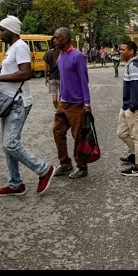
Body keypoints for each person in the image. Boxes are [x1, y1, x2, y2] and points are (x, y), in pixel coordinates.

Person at [0, 15, 55, 196]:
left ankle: (44, 169)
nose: (0, 33)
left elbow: (25, 73)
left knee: (10, 143)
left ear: (12, 30)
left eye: (2, 29)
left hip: (18, 102)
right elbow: (11, 71)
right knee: (8, 144)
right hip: (8, 101)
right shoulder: (12, 48)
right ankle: (15, 184)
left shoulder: (20, 47)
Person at [51, 27, 92, 179]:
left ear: (66, 39)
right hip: (63, 103)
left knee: (78, 137)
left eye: (57, 38)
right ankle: (65, 163)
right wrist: (57, 94)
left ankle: (82, 167)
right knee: (57, 132)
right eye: (54, 37)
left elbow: (84, 80)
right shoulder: (60, 55)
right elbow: (58, 76)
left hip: (77, 104)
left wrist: (87, 103)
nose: (54, 40)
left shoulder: (78, 56)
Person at [117, 40, 138, 177]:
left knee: (137, 138)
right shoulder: (130, 64)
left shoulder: (134, 66)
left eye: (123, 50)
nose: (120, 52)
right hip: (127, 106)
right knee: (121, 133)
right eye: (120, 49)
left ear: (131, 51)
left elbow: (136, 88)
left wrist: (132, 107)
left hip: (134, 108)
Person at [44, 38, 60, 109]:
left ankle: (58, 110)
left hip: (52, 77)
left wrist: (46, 77)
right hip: (62, 78)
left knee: (54, 98)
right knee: (63, 97)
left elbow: (46, 67)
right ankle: (61, 111)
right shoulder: (61, 52)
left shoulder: (47, 53)